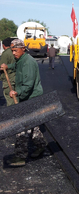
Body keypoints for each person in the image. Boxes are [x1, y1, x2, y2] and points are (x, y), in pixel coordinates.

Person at [0, 39, 47, 167]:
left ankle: (20, 157)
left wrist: (16, 92)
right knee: (33, 125)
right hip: (27, 97)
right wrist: (7, 66)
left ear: (23, 49)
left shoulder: (28, 63)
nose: (14, 53)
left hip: (32, 98)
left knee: (22, 128)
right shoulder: (21, 60)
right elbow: (16, 66)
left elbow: (28, 85)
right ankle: (41, 145)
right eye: (12, 51)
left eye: (16, 50)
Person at [0, 37, 16, 106]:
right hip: (15, 77)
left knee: (10, 99)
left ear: (3, 45)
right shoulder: (14, 51)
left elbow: (2, 67)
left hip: (8, 79)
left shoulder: (5, 54)